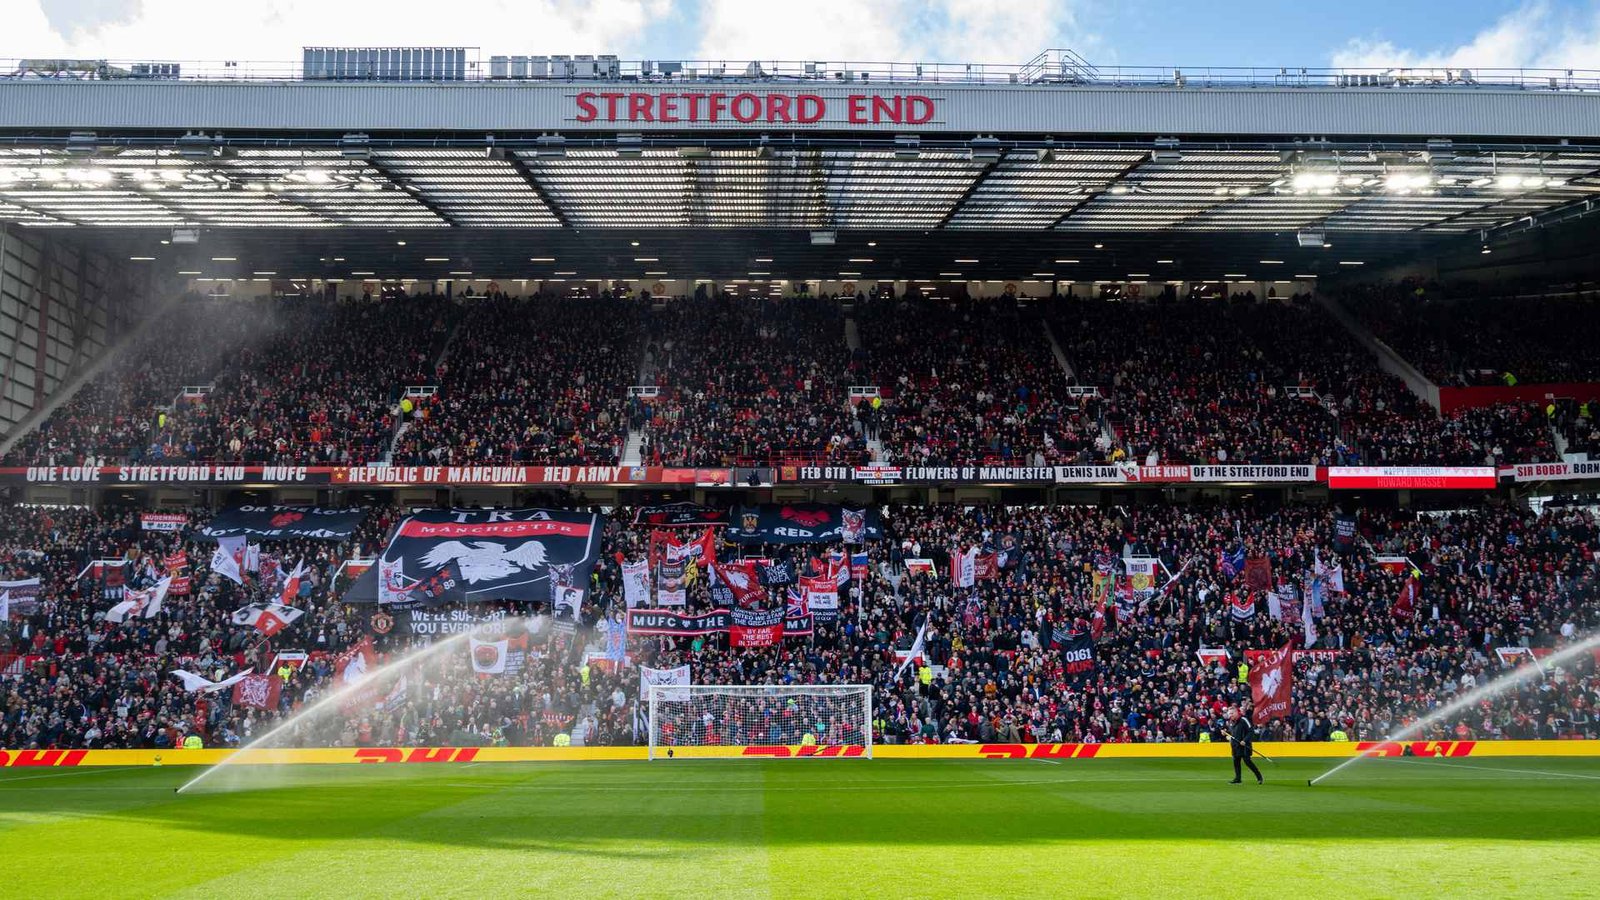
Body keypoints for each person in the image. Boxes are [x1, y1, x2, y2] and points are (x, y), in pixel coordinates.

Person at [1224, 707, 1263, 785]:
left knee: (1247, 762)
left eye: (1232, 713)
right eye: (1229, 714)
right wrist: (1226, 733)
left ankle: (1259, 776)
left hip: (1244, 745)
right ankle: (1238, 779)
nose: (1230, 715)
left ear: (1236, 713)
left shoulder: (1243, 720)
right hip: (1235, 745)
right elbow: (1233, 733)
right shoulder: (1231, 722)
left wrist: (1244, 740)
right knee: (1236, 762)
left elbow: (1251, 731)